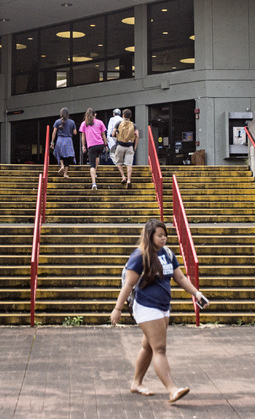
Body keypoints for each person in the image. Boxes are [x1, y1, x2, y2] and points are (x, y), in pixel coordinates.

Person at [110, 219, 209, 404]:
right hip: (147, 306)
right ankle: (172, 389)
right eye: (160, 236)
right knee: (160, 349)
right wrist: (118, 308)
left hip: (163, 307)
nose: (164, 239)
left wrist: (197, 293)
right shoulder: (140, 255)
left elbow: (179, 277)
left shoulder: (167, 253)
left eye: (165, 236)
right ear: (150, 236)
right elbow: (129, 284)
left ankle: (136, 383)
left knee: (148, 347)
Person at [79, 108, 107, 190]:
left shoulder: (84, 123)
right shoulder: (100, 122)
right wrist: (105, 145)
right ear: (95, 114)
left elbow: (83, 136)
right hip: (100, 145)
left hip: (91, 145)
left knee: (92, 165)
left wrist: (83, 145)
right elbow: (103, 134)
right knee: (97, 156)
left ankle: (94, 183)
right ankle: (95, 172)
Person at [112, 108, 138, 188]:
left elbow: (113, 134)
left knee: (119, 163)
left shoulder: (118, 123)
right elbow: (137, 136)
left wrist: (117, 135)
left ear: (123, 115)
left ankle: (123, 177)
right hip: (129, 146)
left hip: (120, 146)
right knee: (129, 164)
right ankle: (129, 180)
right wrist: (135, 147)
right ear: (130, 116)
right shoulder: (134, 125)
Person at [50, 107, 77, 178]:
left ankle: (62, 165)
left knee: (60, 154)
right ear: (68, 114)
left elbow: (54, 132)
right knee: (67, 157)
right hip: (68, 140)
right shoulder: (72, 122)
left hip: (60, 140)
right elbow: (75, 133)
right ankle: (65, 174)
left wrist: (52, 142)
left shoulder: (57, 122)